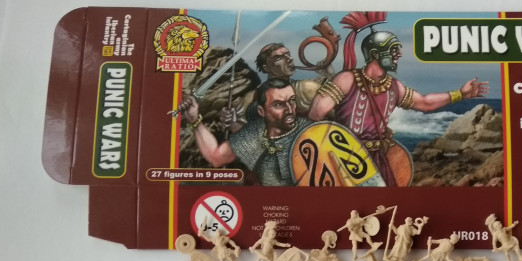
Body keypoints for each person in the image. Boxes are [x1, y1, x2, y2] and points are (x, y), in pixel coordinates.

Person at [308, 14, 489, 186]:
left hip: (379, 159)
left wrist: (460, 94)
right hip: (345, 157)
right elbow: (316, 115)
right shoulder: (347, 79)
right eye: (393, 49)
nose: (399, 54)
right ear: (376, 54)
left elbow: (425, 103)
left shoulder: (394, 86)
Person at [181, 78, 311, 186]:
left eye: (292, 101)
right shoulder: (256, 132)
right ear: (261, 111)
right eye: (278, 104)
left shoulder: (310, 130)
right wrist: (194, 120)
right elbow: (216, 157)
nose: (289, 109)